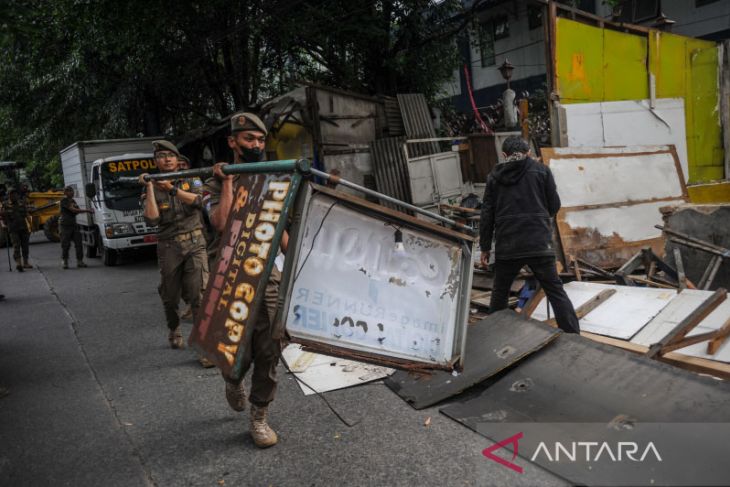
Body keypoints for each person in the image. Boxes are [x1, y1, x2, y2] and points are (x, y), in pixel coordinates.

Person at [202, 112, 284, 448]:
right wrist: (226, 182)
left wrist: (297, 261)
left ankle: (260, 415)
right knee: (237, 351)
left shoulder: (270, 179)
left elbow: (281, 227)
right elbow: (221, 222)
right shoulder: (210, 184)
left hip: (266, 271)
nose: (257, 145)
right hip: (230, 276)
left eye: (261, 140)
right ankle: (233, 378)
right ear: (233, 142)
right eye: (249, 139)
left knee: (270, 349)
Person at [479, 136, 580, 334]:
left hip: (508, 245)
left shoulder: (494, 177)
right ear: (528, 153)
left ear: (504, 155)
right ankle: (573, 336)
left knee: (499, 294)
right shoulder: (541, 171)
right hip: (538, 243)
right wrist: (539, 219)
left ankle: (492, 339)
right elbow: (554, 205)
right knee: (555, 291)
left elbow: (487, 215)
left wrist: (485, 247)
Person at [139, 140, 212, 366]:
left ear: (178, 160)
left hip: (195, 242)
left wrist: (172, 189)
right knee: (170, 297)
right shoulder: (149, 185)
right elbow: (152, 218)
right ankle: (174, 328)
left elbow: (200, 201)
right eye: (162, 156)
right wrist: (150, 187)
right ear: (156, 161)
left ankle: (204, 347)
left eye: (171, 155)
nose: (167, 159)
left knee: (199, 294)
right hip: (168, 246)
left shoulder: (191, 179)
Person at [59, 186, 92, 269]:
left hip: (74, 225)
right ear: (65, 192)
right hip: (65, 226)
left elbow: (77, 210)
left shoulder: (73, 201)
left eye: (72, 191)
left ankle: (80, 261)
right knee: (66, 244)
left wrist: (76, 210)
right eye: (70, 191)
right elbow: (73, 210)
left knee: (79, 243)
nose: (72, 192)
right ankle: (65, 261)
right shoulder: (64, 200)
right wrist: (87, 210)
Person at [0, 188, 31, 271]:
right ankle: (18, 263)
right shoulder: (5, 205)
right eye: (11, 194)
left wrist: (30, 225)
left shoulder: (22, 203)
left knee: (25, 246)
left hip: (23, 228)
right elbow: (1, 217)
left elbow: (26, 214)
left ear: (17, 195)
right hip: (13, 229)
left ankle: (25, 262)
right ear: (9, 195)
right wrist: (3, 225)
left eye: (15, 194)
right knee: (16, 246)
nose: (13, 196)